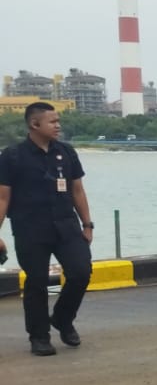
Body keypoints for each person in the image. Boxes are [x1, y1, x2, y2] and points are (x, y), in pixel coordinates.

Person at [0, 102, 94, 356]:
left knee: (81, 272)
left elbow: (77, 190)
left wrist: (87, 224)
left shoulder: (66, 152)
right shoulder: (12, 156)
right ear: (34, 124)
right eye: (53, 122)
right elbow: (3, 198)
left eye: (58, 121)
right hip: (30, 229)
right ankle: (39, 336)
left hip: (66, 226)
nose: (58, 126)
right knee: (37, 282)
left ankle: (63, 318)